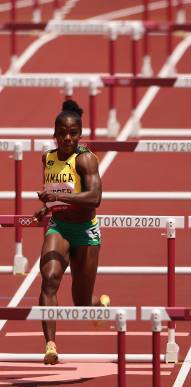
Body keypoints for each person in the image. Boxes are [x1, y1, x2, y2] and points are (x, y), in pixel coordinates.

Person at [33, 100, 109, 365]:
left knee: (82, 304)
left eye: (73, 133)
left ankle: (99, 305)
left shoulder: (85, 159)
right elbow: (56, 192)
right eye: (62, 133)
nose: (67, 138)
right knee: (49, 278)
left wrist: (56, 197)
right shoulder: (48, 157)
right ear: (54, 133)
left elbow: (95, 197)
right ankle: (50, 345)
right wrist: (47, 207)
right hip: (60, 228)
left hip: (85, 232)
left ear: (80, 134)